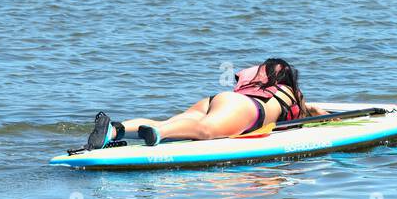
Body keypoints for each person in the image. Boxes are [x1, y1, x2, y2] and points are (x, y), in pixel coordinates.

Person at [83, 57, 323, 150]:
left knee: (179, 121)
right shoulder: (293, 93)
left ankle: (115, 130)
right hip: (247, 109)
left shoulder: (262, 85)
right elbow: (313, 112)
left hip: (218, 100)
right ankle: (158, 134)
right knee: (205, 131)